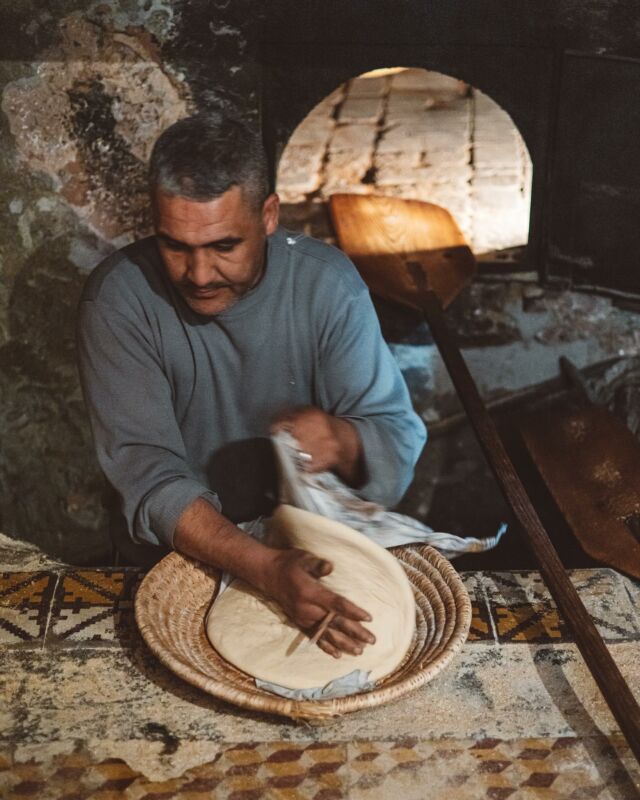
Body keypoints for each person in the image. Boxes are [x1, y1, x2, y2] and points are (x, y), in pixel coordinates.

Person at [76, 112, 427, 658]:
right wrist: (262, 566)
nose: (198, 274)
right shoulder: (120, 302)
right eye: (175, 246)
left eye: (223, 246)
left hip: (311, 560)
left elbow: (398, 440)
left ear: (268, 216)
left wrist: (343, 440)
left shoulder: (327, 287)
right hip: (177, 563)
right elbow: (150, 477)